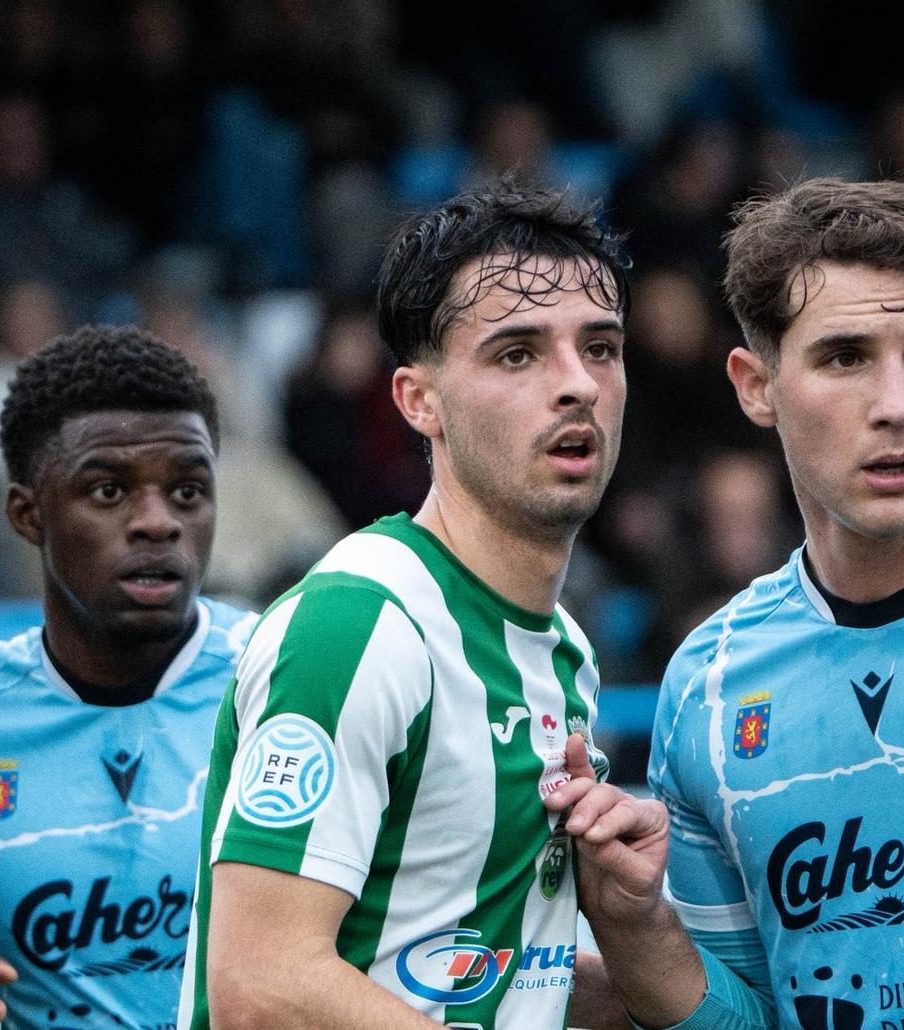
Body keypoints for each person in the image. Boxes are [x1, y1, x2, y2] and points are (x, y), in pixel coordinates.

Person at [551, 177, 904, 1030]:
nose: (898, 408)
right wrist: (635, 922)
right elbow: (747, 1017)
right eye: (844, 358)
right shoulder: (710, 684)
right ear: (755, 385)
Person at [178, 180, 629, 1029]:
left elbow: (500, 977)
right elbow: (260, 988)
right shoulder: (359, 626)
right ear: (419, 401)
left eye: (600, 348)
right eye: (518, 353)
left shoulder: (564, 646)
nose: (577, 385)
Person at [0, 326, 256, 1029]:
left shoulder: (284, 683)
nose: (158, 523)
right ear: (28, 514)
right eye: (108, 491)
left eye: (188, 491)